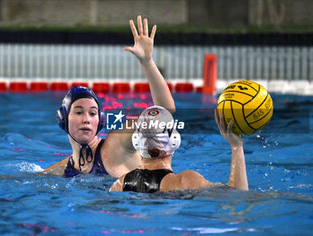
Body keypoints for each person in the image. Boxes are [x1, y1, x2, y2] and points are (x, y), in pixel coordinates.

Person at [44, 15, 175, 178]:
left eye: (92, 113)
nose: (86, 119)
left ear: (100, 120)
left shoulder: (117, 145)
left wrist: (147, 62)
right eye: (78, 112)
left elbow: (163, 114)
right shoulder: (61, 169)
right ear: (63, 119)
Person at [109, 106, 248, 192]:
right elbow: (237, 195)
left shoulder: (119, 184)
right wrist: (236, 146)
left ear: (136, 141)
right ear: (174, 140)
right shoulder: (185, 181)